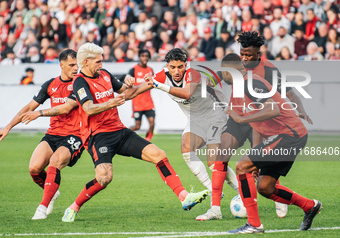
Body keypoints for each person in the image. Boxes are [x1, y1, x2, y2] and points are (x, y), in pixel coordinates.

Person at [26, 43, 209, 222]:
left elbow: (127, 93)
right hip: (98, 137)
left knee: (159, 155)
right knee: (104, 178)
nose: (101, 64)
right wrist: (110, 103)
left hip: (119, 131)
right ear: (86, 62)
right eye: (98, 61)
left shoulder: (105, 74)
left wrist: (135, 84)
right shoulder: (79, 82)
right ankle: (74, 206)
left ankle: (184, 196)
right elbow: (88, 108)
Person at [198, 31, 313, 221]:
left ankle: (276, 197)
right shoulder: (238, 67)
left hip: (260, 120)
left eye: (248, 55)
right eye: (242, 54)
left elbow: (290, 93)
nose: (244, 59)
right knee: (222, 153)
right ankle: (215, 208)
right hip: (238, 116)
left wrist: (300, 109)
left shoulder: (269, 71)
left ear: (259, 53)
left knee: (255, 167)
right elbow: (222, 76)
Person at [126, 48, 239, 220]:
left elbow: (186, 94)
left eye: (180, 66)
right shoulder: (161, 77)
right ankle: (213, 192)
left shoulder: (192, 74)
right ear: (167, 67)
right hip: (196, 119)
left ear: (186, 65)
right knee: (186, 148)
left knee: (213, 162)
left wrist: (158, 85)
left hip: (216, 114)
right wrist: (117, 89)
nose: (177, 71)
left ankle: (243, 193)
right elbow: (133, 92)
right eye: (173, 67)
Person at [220, 53, 321, 234]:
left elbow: (272, 109)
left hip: (289, 135)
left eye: (223, 71)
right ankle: (310, 206)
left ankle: (254, 224)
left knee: (242, 166)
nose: (222, 76)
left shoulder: (249, 83)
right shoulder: (243, 85)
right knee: (265, 187)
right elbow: (257, 125)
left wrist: (241, 120)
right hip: (289, 136)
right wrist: (256, 156)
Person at [0, 49, 84, 220]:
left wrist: (39, 113)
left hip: (75, 135)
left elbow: (66, 107)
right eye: (71, 65)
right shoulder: (50, 85)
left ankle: (42, 208)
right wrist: (8, 126)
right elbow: (28, 108)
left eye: (77, 64)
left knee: (54, 162)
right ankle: (52, 192)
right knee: (34, 169)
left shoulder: (80, 84)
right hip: (53, 134)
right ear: (61, 65)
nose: (76, 68)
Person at [127, 50, 155, 141]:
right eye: (142, 55)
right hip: (137, 103)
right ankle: (123, 134)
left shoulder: (150, 70)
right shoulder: (133, 70)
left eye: (147, 56)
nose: (145, 58)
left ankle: (147, 140)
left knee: (152, 123)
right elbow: (127, 82)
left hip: (148, 103)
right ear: (139, 57)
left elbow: (154, 83)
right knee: (137, 126)